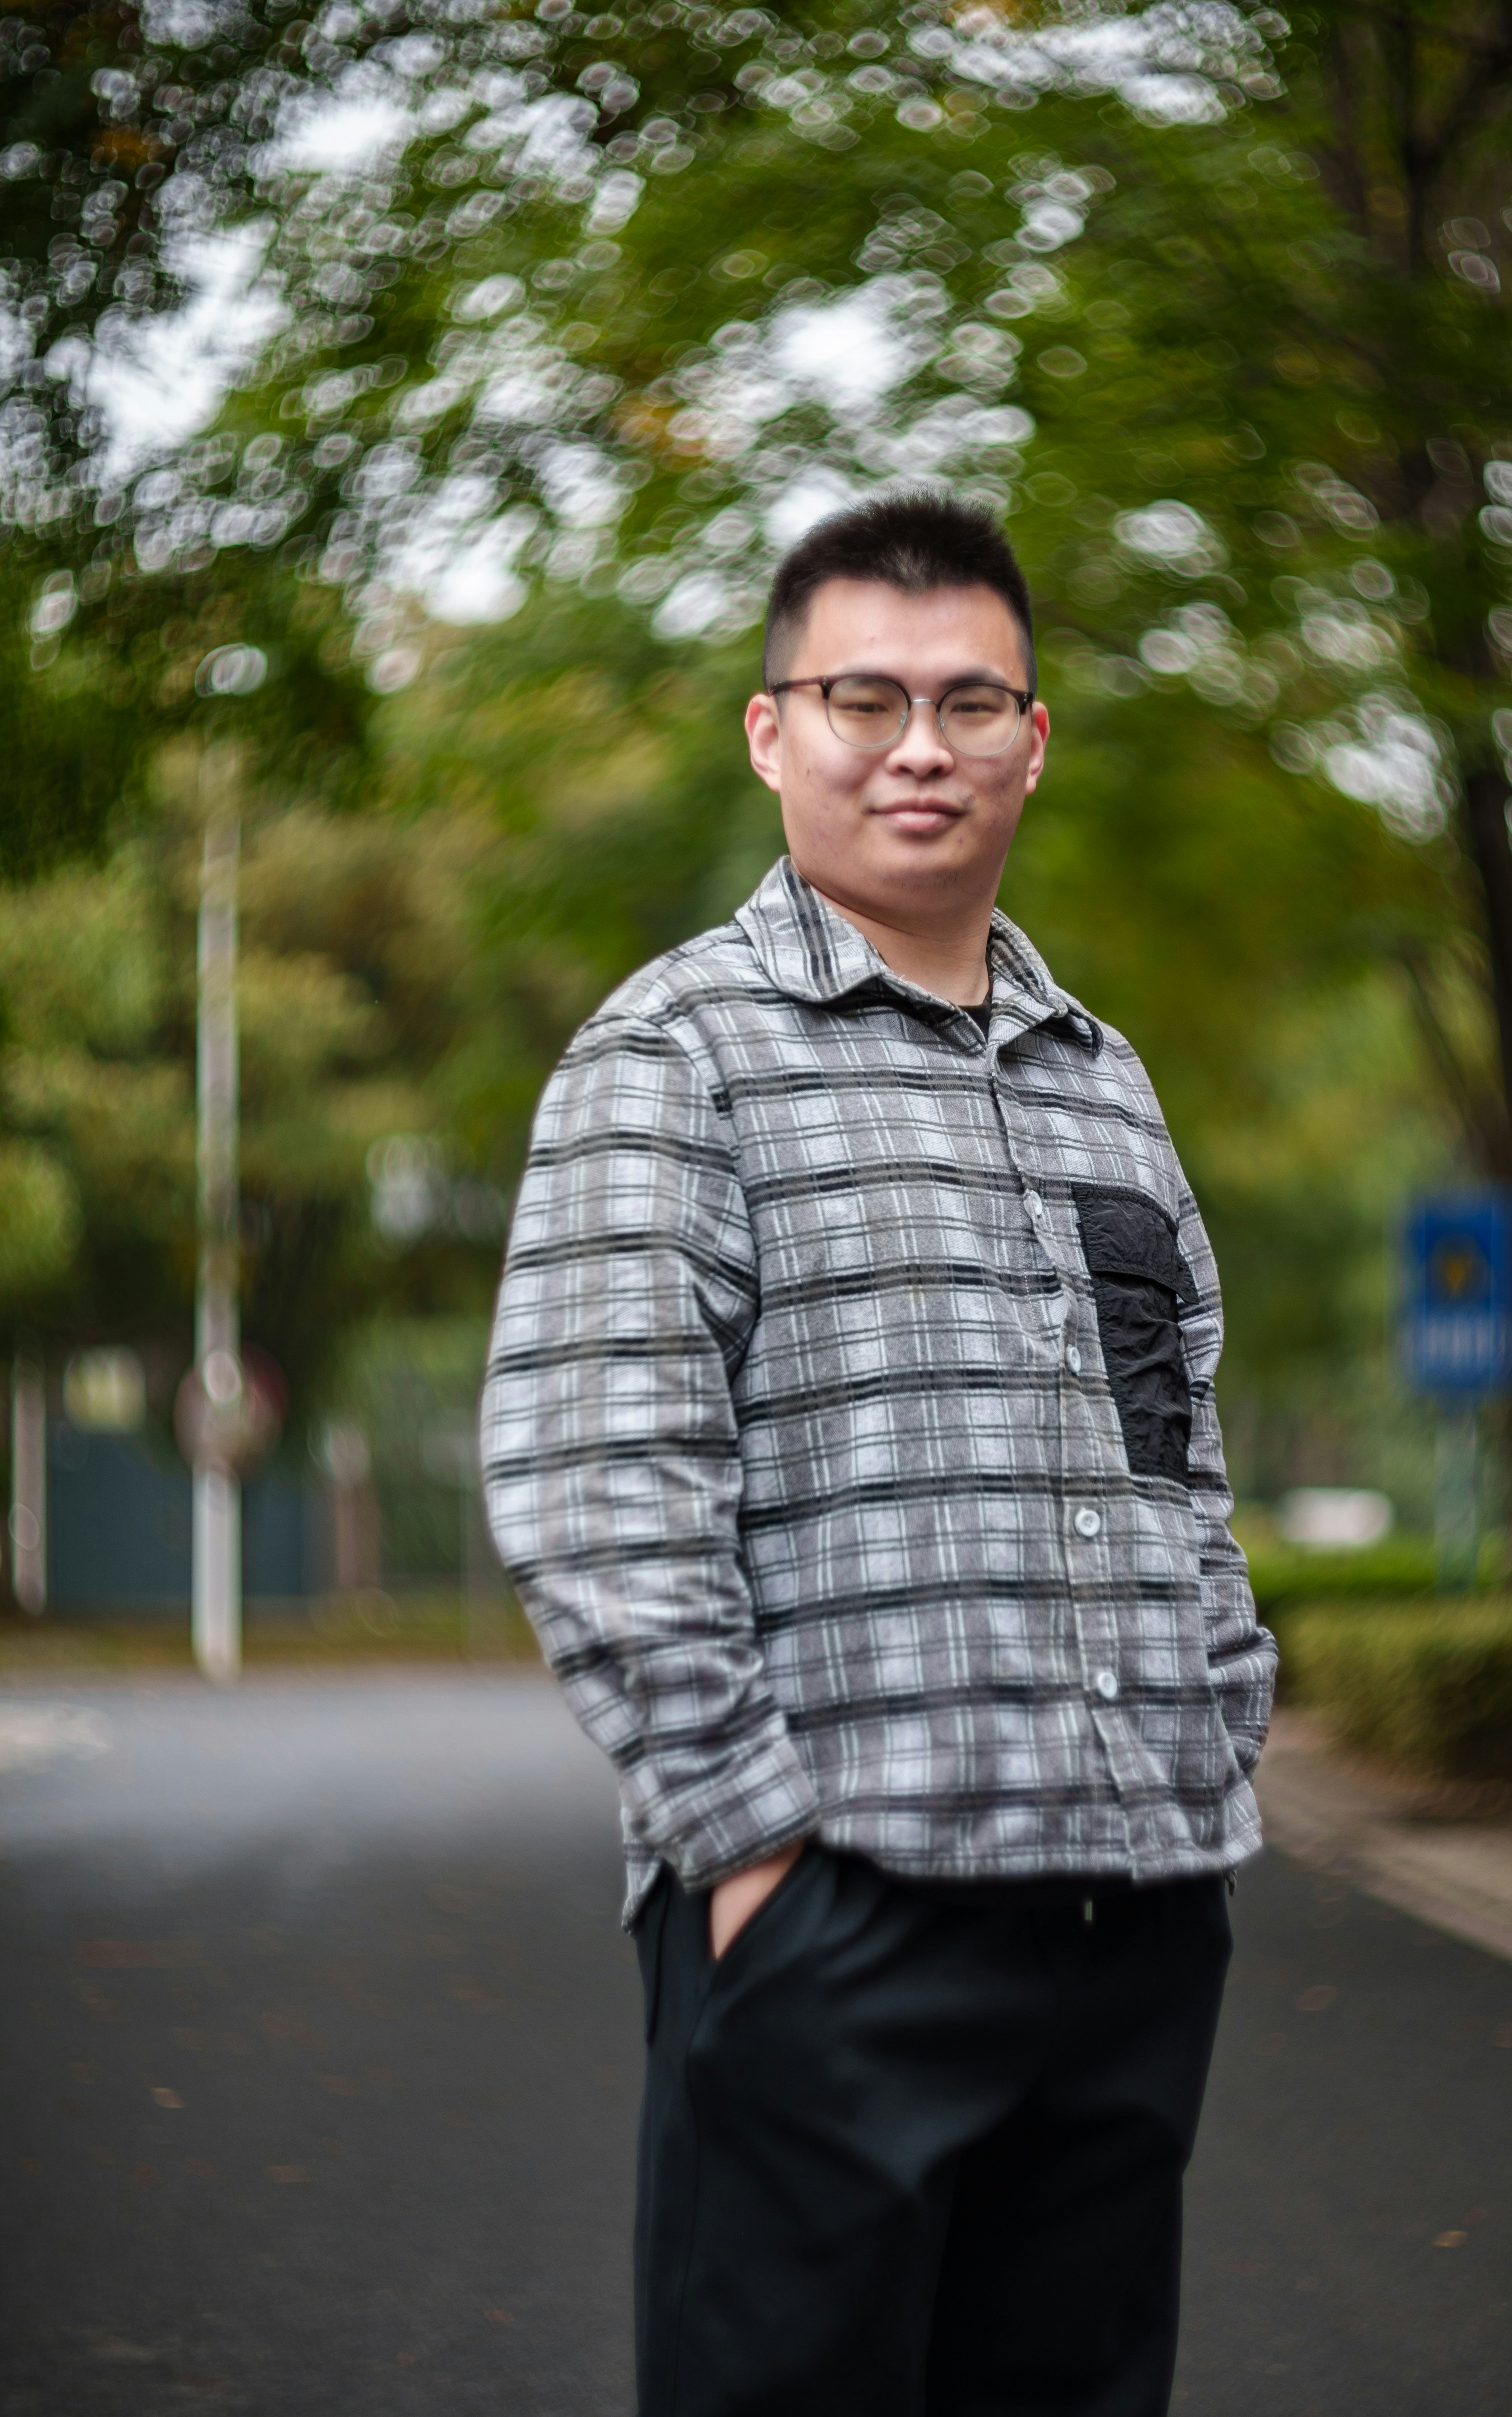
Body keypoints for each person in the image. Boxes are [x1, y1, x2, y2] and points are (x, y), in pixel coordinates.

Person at [481, 490, 1277, 2417]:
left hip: (1127, 1914)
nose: (919, 744)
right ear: (773, 731)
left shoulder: (1102, 1075)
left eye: (968, 699)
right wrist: (750, 1848)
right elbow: (596, 1485)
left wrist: (1213, 1721)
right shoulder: (672, 1055)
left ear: (1032, 736)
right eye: (862, 696)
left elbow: (1176, 1454)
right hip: (837, 1918)